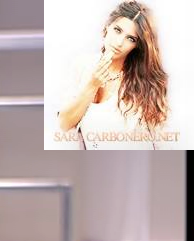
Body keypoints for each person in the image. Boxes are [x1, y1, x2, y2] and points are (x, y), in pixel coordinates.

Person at [56, 1, 169, 149]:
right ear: (107, 26)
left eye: (131, 38)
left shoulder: (145, 82)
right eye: (117, 30)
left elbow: (163, 143)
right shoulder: (81, 66)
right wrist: (92, 85)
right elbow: (64, 123)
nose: (119, 42)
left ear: (137, 46)